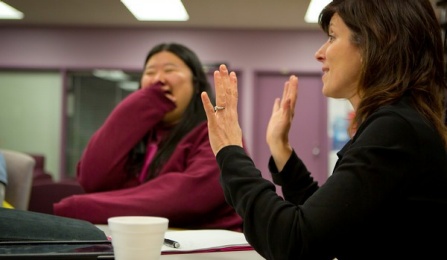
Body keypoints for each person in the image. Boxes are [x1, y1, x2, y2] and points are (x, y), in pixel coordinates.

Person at [200, 0, 447, 259]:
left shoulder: (396, 128)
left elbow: (295, 241)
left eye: (332, 37)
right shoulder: (397, 122)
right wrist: (280, 146)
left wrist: (229, 150)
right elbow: (327, 222)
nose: (319, 53)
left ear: (378, 42)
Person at [54, 42, 243, 231]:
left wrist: (81, 207)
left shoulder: (214, 132)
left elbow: (187, 196)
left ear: (195, 84)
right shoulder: (141, 136)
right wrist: (140, 105)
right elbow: (92, 178)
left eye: (170, 70)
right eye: (150, 72)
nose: (158, 79)